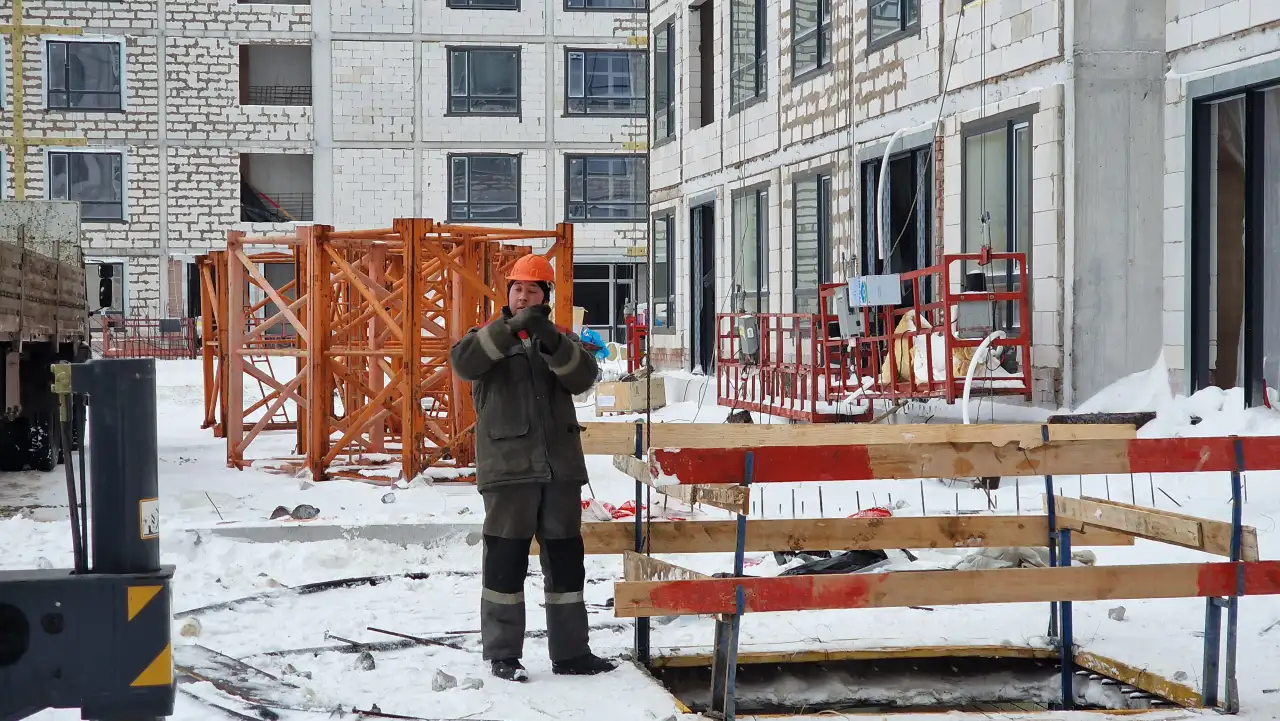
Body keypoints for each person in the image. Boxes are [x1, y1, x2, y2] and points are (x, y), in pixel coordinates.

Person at [448, 253, 618, 683]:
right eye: (517, 289)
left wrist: (550, 339)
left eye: (532, 290)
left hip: (559, 471)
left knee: (566, 564)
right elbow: (464, 363)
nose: (523, 297)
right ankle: (503, 654)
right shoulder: (483, 337)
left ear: (546, 297)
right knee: (505, 564)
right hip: (509, 472)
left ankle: (572, 652)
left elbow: (582, 378)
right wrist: (509, 330)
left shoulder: (560, 340)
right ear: (507, 294)